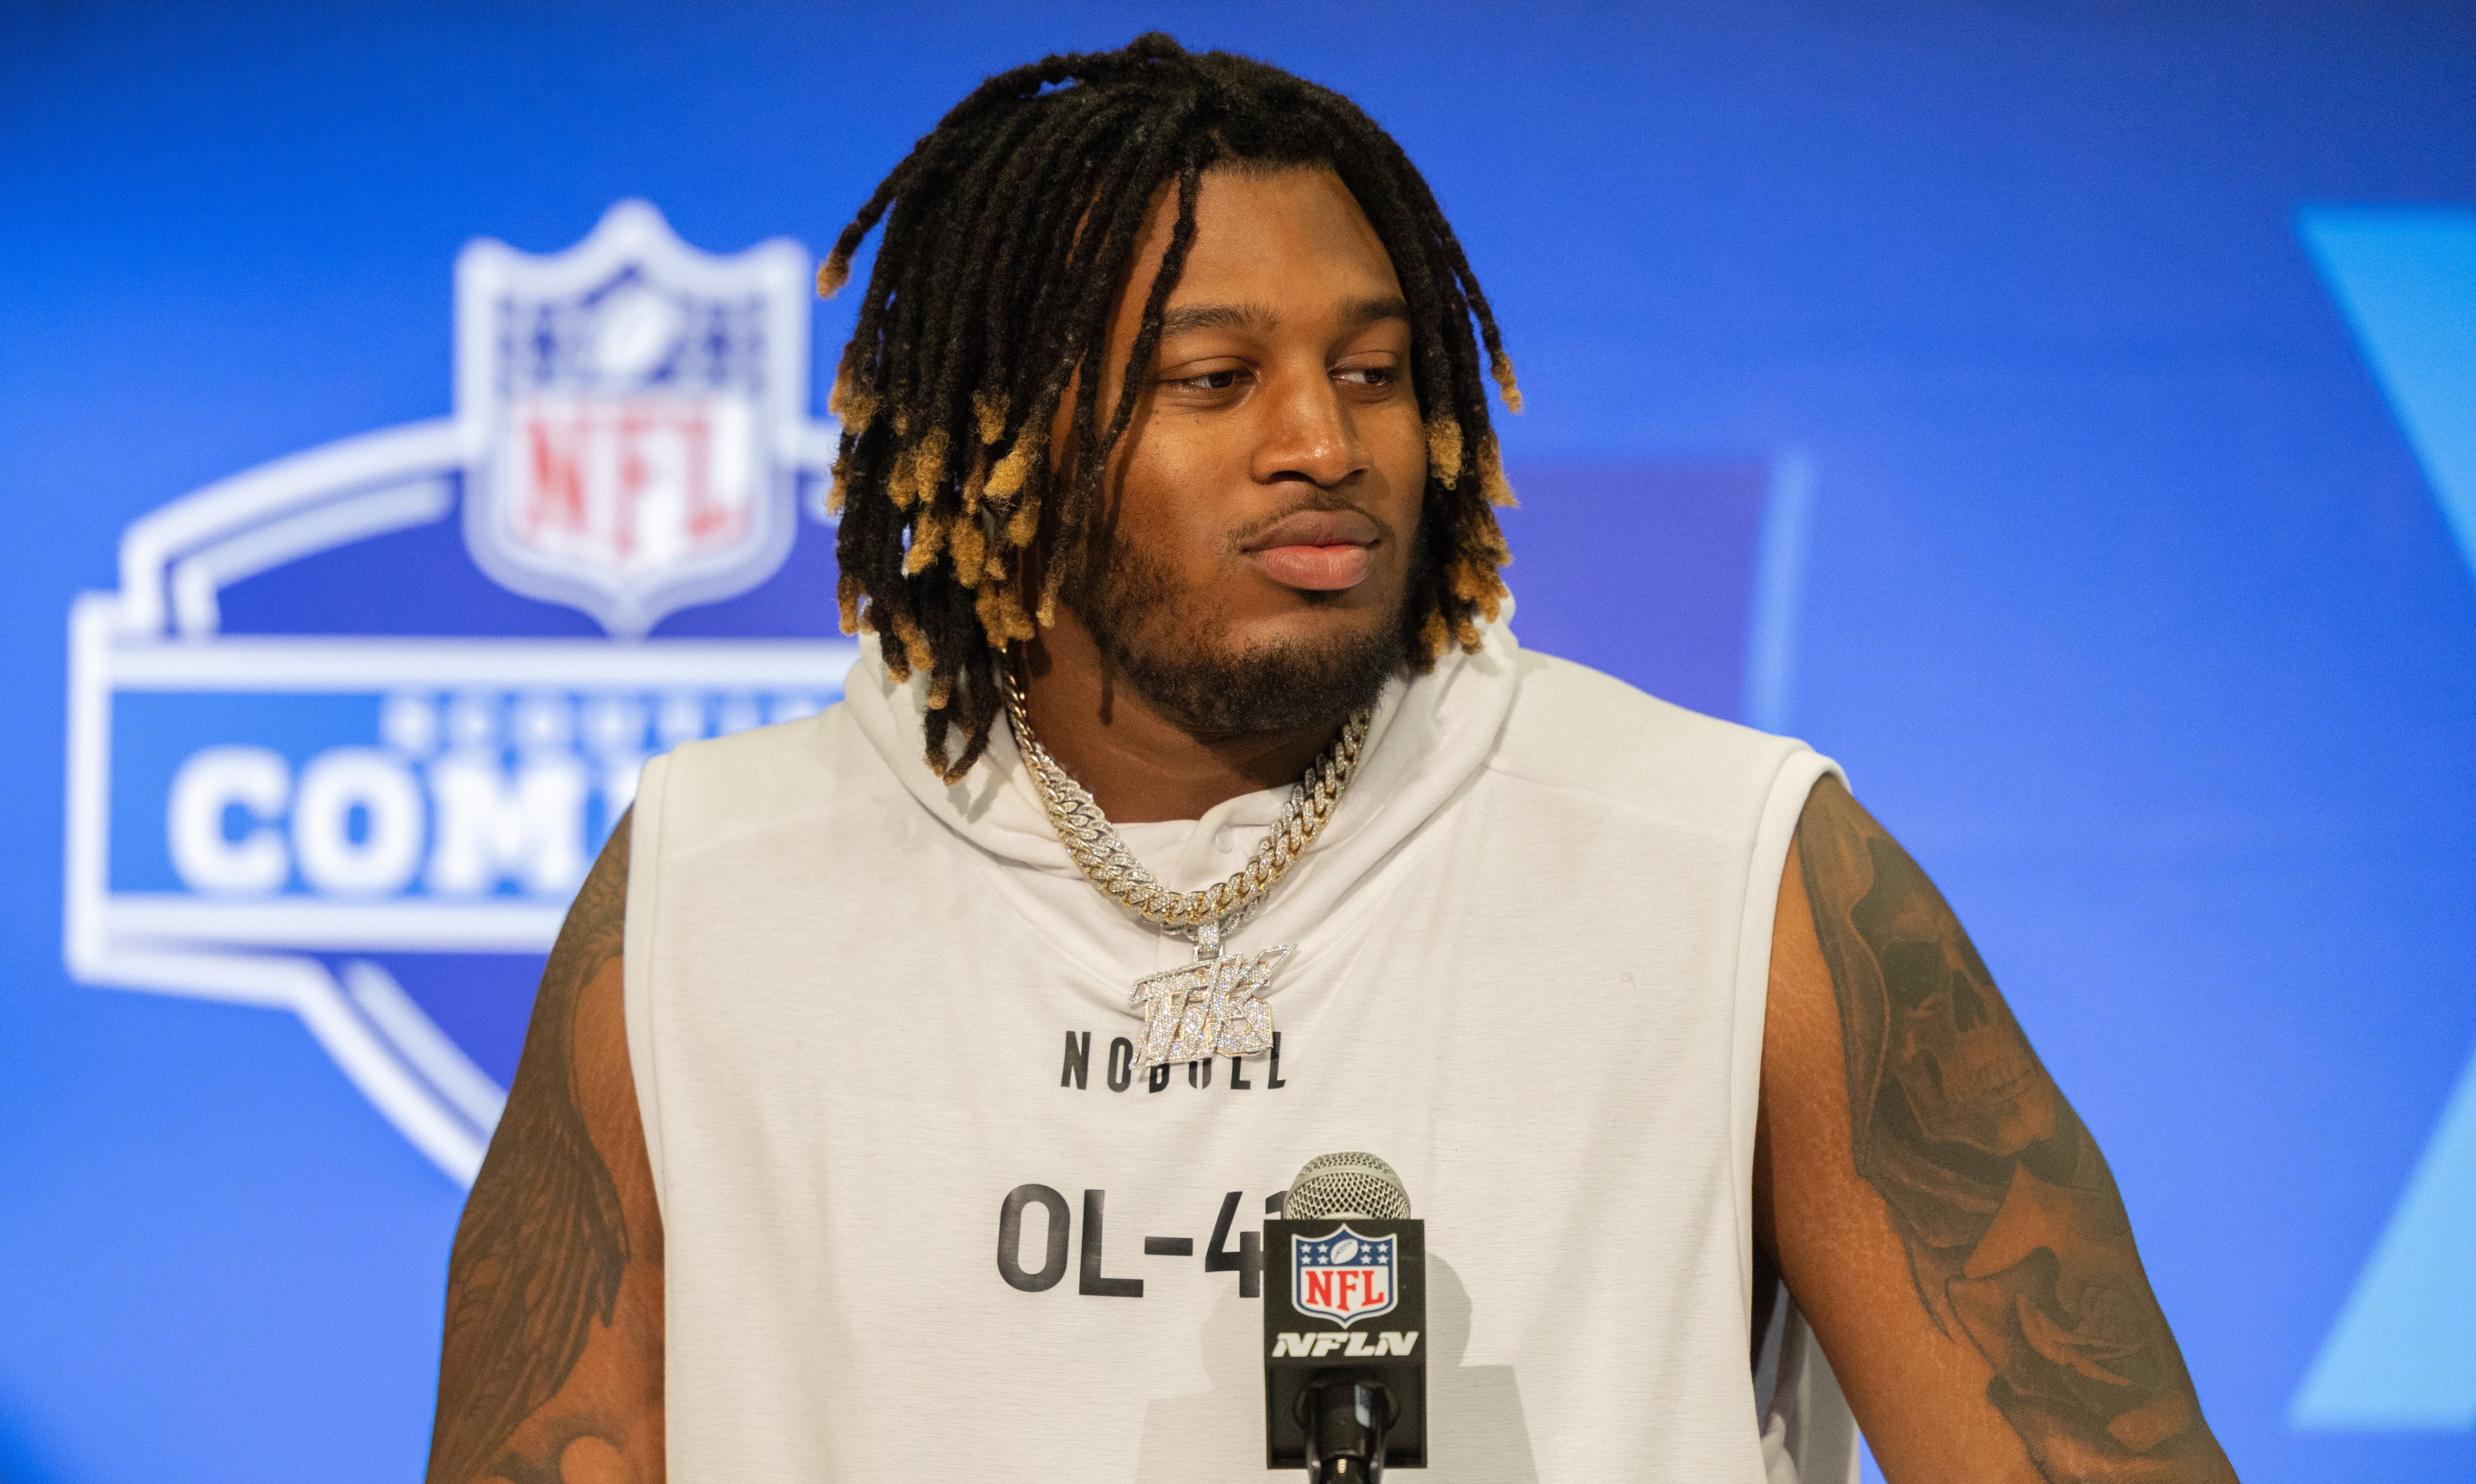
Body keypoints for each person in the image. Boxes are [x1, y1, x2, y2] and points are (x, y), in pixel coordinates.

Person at [425, 35, 2236, 1484]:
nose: (1324, 441)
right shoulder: (714, 885)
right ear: (1003, 439)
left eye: (1373, 372)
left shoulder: (1736, 871)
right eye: (1213, 379)